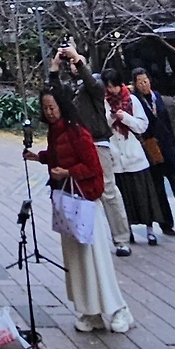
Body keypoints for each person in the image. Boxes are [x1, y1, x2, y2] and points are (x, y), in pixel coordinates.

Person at [26, 88, 133, 334]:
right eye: (45, 108)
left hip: (84, 204)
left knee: (95, 258)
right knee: (76, 260)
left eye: (52, 107)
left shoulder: (77, 131)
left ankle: (118, 309)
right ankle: (90, 311)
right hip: (67, 203)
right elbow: (58, 155)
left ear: (62, 106)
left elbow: (93, 166)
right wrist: (39, 157)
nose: (49, 112)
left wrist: (68, 172)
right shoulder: (56, 132)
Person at [50, 44, 132, 256]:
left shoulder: (94, 85)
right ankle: (85, 236)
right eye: (72, 62)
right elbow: (54, 96)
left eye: (78, 62)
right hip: (77, 144)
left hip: (97, 142)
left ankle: (121, 239)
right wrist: (55, 67)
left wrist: (77, 58)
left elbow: (92, 84)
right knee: (79, 191)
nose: (74, 65)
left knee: (107, 190)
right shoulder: (71, 88)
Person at [102, 66, 166, 245]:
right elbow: (102, 126)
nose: (112, 90)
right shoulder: (104, 102)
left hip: (135, 156)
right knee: (123, 199)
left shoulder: (131, 100)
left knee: (144, 197)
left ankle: (150, 229)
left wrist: (125, 117)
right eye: (108, 87)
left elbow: (142, 126)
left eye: (114, 86)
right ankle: (126, 230)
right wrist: (112, 118)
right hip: (116, 157)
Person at [133, 68, 175, 238]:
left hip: (167, 146)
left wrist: (174, 143)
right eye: (140, 82)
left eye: (145, 80)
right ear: (135, 84)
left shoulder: (157, 97)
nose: (144, 84)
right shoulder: (135, 101)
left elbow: (167, 121)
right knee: (158, 188)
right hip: (151, 148)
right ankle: (166, 223)